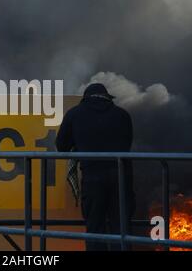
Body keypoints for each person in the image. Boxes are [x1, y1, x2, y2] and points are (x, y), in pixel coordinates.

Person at [56, 83, 135, 251]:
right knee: (121, 230)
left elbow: (61, 146)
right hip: (121, 177)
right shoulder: (122, 115)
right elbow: (127, 145)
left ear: (86, 99)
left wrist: (80, 142)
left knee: (94, 228)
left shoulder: (74, 114)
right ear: (107, 97)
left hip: (92, 177)